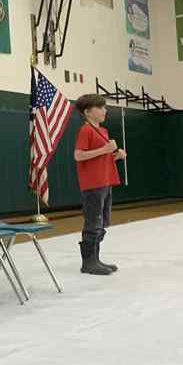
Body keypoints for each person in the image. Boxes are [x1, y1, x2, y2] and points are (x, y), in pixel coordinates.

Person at [73, 94, 126, 275]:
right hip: (93, 183)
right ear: (88, 112)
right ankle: (88, 262)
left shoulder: (102, 131)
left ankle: (95, 258)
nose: (105, 110)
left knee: (103, 220)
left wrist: (114, 155)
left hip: (105, 180)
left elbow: (100, 157)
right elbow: (78, 155)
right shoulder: (86, 130)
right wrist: (105, 149)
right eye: (101, 107)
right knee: (93, 221)